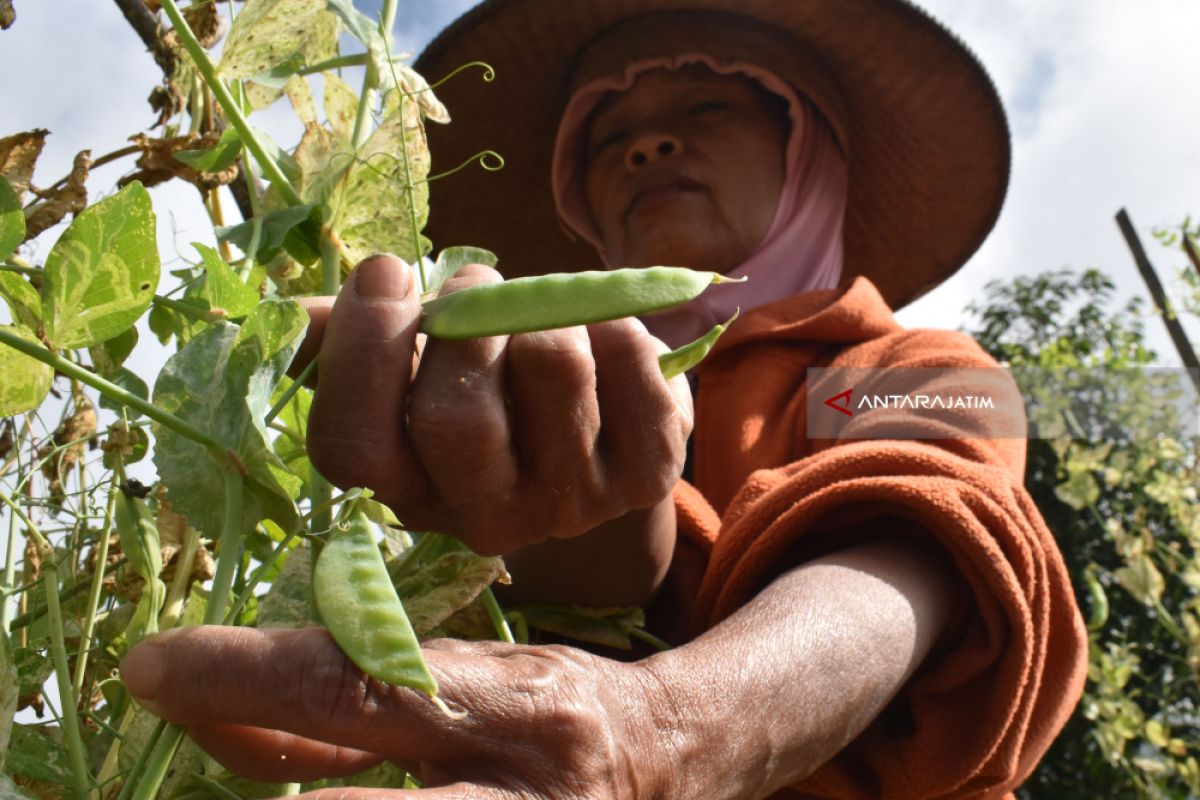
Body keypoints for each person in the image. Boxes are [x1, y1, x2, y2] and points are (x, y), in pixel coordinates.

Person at [119, 1, 1089, 797]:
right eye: (607, 134)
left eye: (710, 105)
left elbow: (916, 554)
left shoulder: (900, 364)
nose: (646, 143)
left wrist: (661, 728)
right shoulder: (516, 368)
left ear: (812, 151)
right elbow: (580, 585)